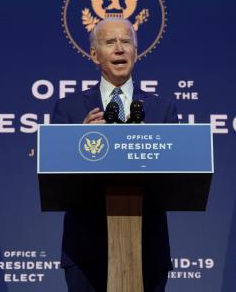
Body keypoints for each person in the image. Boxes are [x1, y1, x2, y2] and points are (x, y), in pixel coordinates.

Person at [52, 18, 178, 292]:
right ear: (95, 55)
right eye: (110, 42)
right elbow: (56, 178)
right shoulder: (69, 109)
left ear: (136, 51)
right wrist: (77, 143)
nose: (120, 49)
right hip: (85, 248)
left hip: (147, 247)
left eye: (126, 42)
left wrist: (152, 144)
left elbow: (175, 179)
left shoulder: (163, 111)